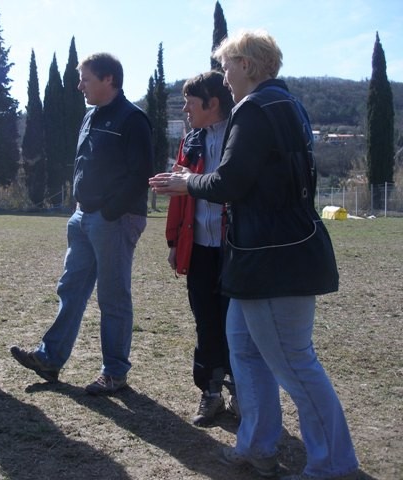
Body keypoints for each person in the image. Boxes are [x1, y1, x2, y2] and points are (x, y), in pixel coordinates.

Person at [150, 30, 359, 480]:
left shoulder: (255, 108)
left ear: (247, 63)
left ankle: (335, 466)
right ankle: (259, 446)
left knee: (295, 363)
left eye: (226, 67)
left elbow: (229, 183)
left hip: (272, 260)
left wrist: (184, 183)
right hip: (265, 256)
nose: (224, 78)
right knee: (244, 350)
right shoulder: (288, 105)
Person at [10, 53, 154, 395]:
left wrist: (109, 211)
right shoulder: (90, 116)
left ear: (108, 80)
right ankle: (50, 358)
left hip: (114, 220)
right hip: (82, 217)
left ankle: (114, 372)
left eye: (85, 79)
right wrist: (80, 204)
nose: (79, 86)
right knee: (71, 288)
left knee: (113, 297)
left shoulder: (133, 119)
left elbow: (141, 174)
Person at [165, 71, 237, 426]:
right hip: (199, 247)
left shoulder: (242, 136)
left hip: (235, 249)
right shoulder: (191, 140)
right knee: (206, 322)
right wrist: (175, 241)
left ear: (212, 103)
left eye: (191, 103)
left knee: (237, 325)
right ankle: (211, 394)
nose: (185, 109)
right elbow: (180, 196)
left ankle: (242, 393)